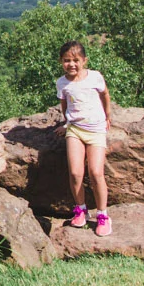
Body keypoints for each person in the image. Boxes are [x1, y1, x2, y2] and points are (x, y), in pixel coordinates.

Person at [57, 41, 113, 237]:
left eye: (75, 60)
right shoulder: (62, 83)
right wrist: (65, 124)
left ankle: (103, 215)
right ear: (61, 62)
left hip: (96, 130)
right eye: (66, 61)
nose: (71, 64)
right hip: (75, 130)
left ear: (84, 61)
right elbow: (64, 104)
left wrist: (107, 115)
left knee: (96, 172)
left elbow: (105, 94)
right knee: (75, 172)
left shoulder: (94, 77)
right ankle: (80, 209)